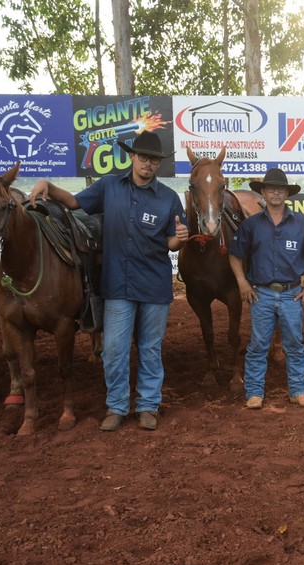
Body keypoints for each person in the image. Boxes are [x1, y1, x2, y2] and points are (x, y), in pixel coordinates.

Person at [29, 130, 188, 431]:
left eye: (154, 159)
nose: (148, 164)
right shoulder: (110, 185)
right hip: (118, 284)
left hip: (154, 284)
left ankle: (147, 406)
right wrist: (47, 185)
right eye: (143, 157)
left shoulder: (168, 198)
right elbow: (74, 203)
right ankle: (116, 406)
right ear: (131, 156)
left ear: (159, 164)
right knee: (114, 348)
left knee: (150, 347)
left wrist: (179, 239)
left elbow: (172, 242)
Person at [229, 168, 304, 410]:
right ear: (263, 192)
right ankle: (254, 393)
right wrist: (242, 282)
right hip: (261, 293)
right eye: (271, 188)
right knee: (258, 344)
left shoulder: (302, 223)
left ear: (286, 193)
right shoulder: (251, 225)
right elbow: (234, 255)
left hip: (291, 294)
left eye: (280, 189)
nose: (275, 192)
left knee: (294, 344)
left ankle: (298, 391)